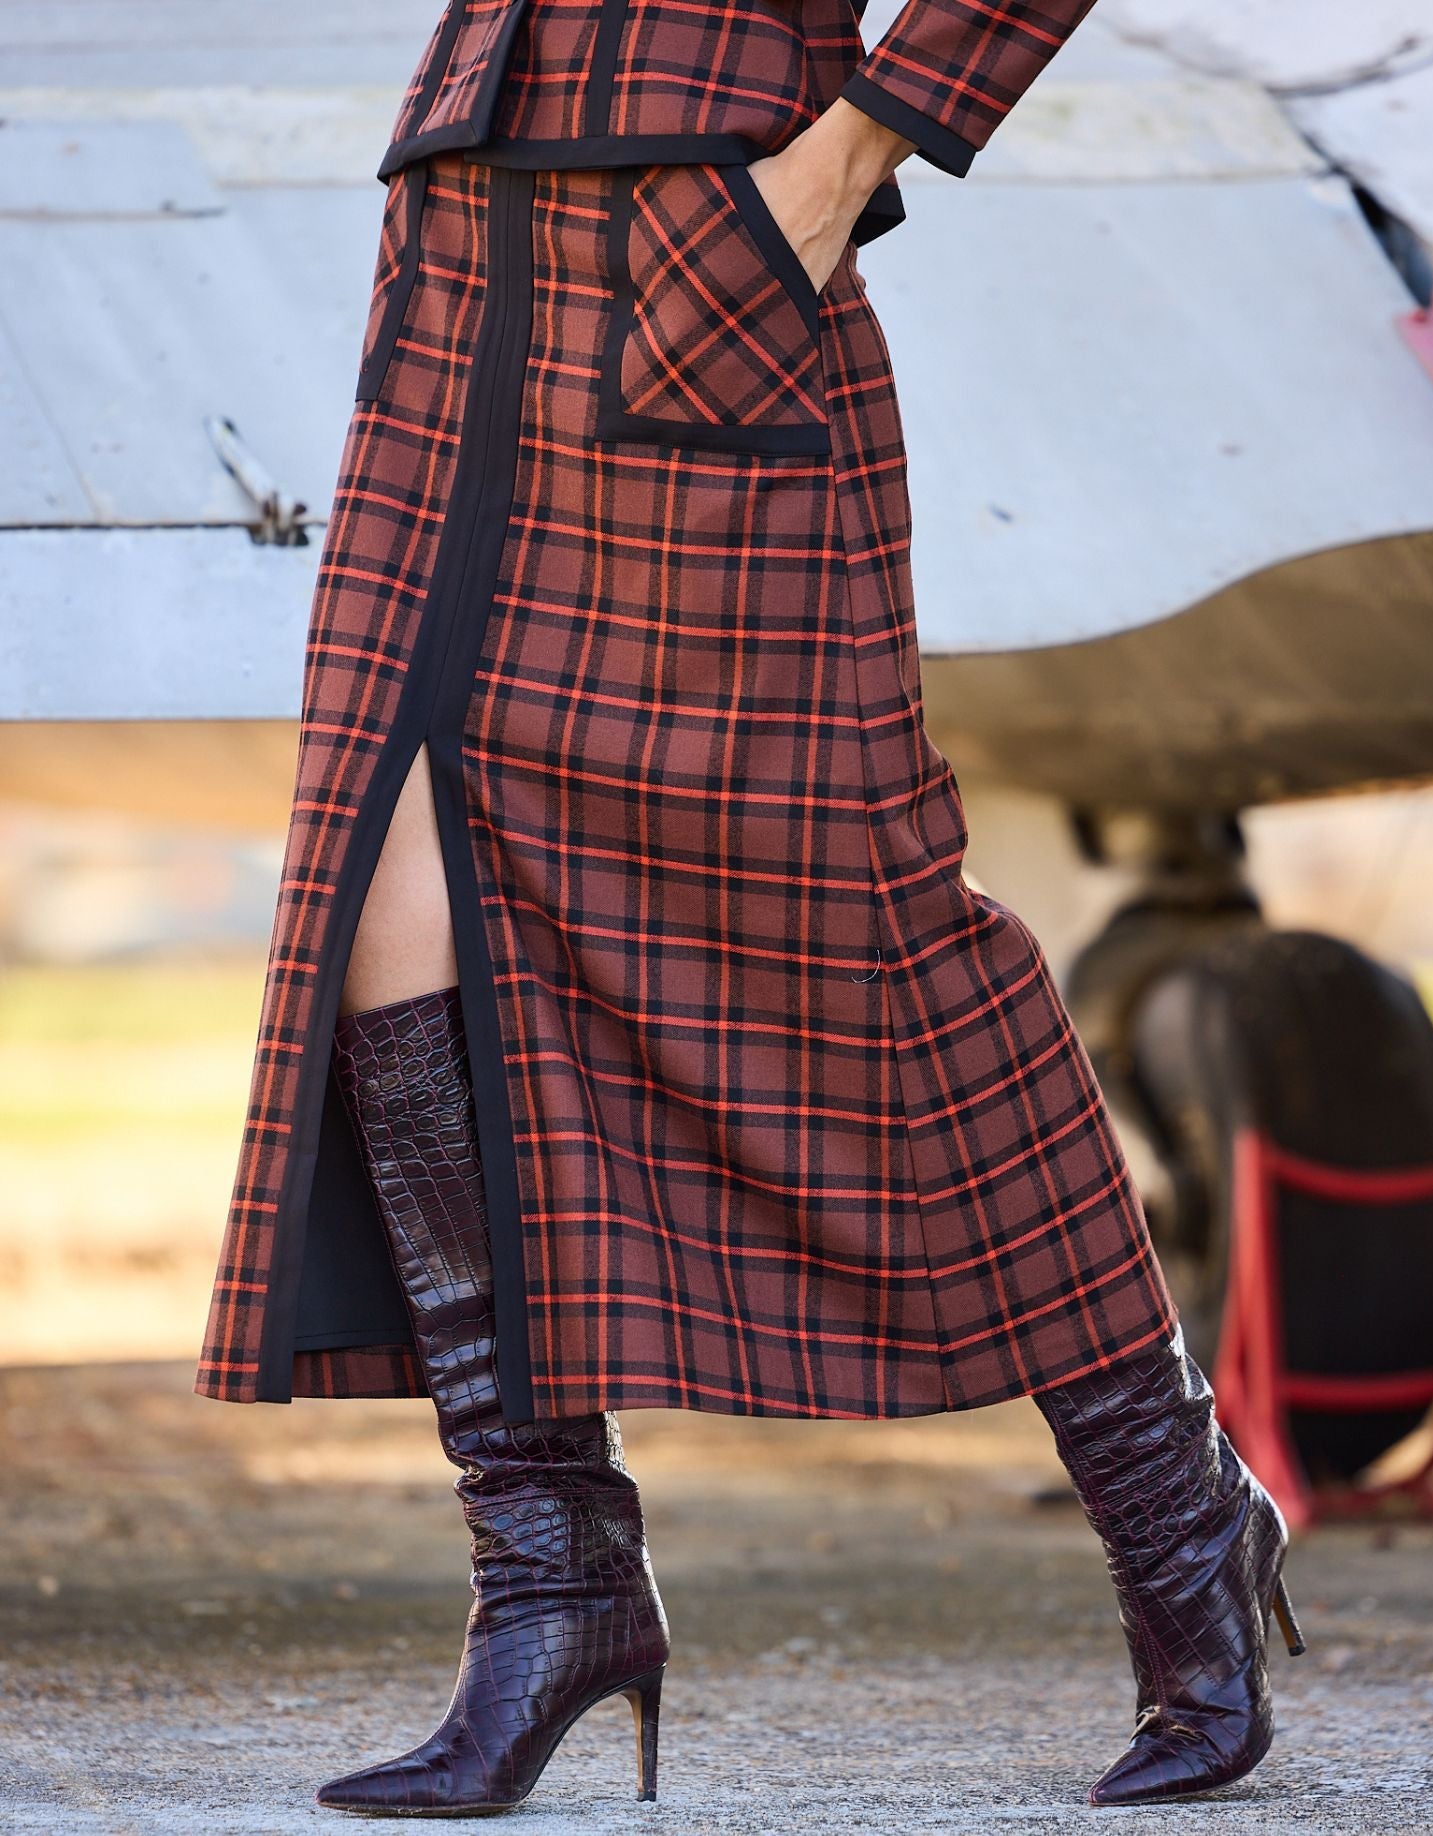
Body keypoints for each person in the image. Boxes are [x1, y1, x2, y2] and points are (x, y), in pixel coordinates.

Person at [195, 0, 1306, 1813]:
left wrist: (847, 153)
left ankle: (1176, 1511)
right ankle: (553, 1582)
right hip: (463, 245)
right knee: (381, 897)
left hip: (711, 235)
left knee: (881, 932)